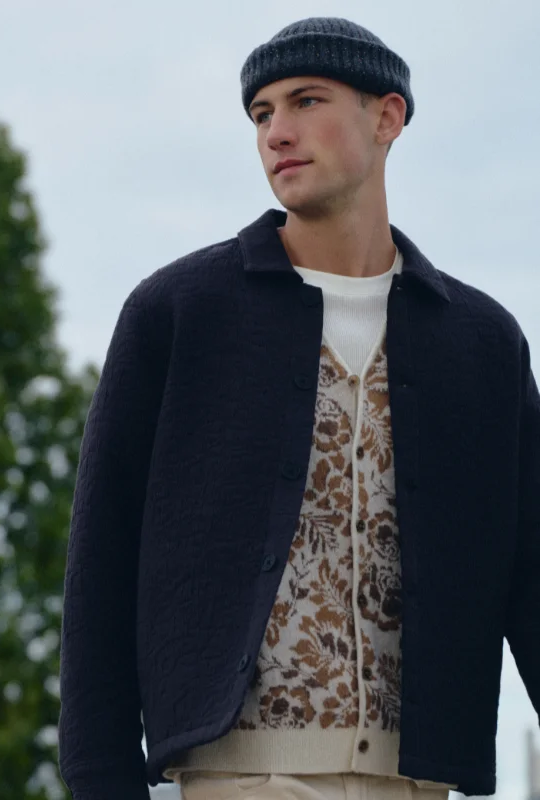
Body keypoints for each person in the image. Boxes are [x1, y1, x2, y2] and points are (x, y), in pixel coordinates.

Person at [56, 16, 539, 800]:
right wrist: (101, 782)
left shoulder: (481, 343)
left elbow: (532, 576)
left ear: (387, 117)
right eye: (261, 113)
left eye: (306, 101)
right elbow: (100, 573)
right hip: (242, 776)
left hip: (417, 782)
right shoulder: (179, 314)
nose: (277, 131)